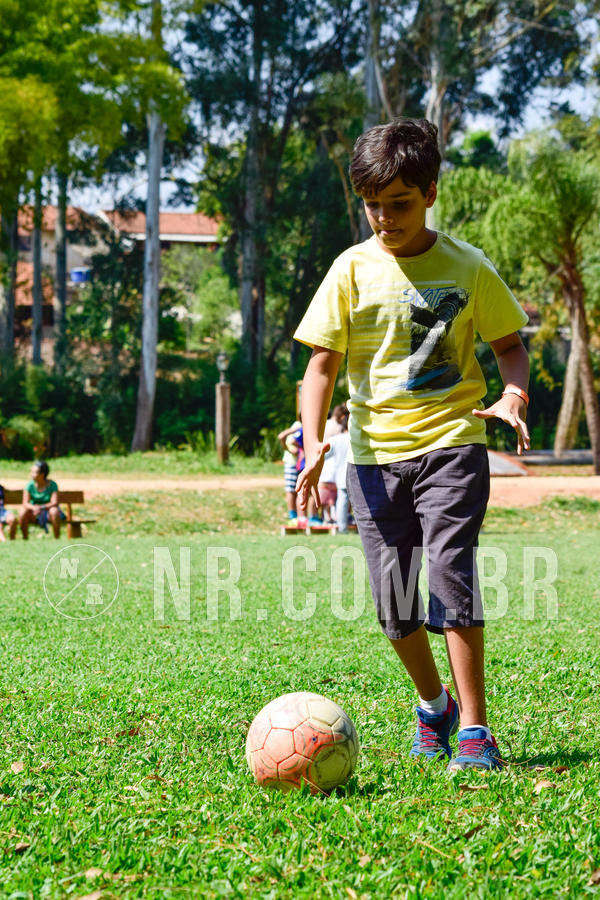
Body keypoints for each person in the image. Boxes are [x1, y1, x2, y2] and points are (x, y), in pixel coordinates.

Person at [294, 118, 530, 772]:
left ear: (429, 192)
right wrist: (316, 442)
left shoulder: (468, 266)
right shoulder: (351, 270)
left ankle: (477, 730)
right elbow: (320, 365)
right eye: (372, 204)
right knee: (395, 609)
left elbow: (510, 348)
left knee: (450, 581)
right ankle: (435, 706)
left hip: (453, 444)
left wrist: (513, 395)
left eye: (399, 203)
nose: (384, 217)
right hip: (373, 459)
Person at [20, 460, 64, 539]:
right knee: (22, 512)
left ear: (42, 474)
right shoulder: (29, 485)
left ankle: (57, 538)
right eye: (31, 472)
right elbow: (25, 503)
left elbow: (55, 502)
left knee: (54, 511)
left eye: (35, 472)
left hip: (48, 511)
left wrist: (41, 507)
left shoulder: (52, 485)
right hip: (34, 512)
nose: (32, 475)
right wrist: (34, 508)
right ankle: (25, 538)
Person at [277, 420, 302, 523]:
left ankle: (299, 516)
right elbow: (282, 436)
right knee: (291, 489)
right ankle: (292, 515)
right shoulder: (298, 426)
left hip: (300, 463)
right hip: (291, 462)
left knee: (299, 489)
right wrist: (289, 450)